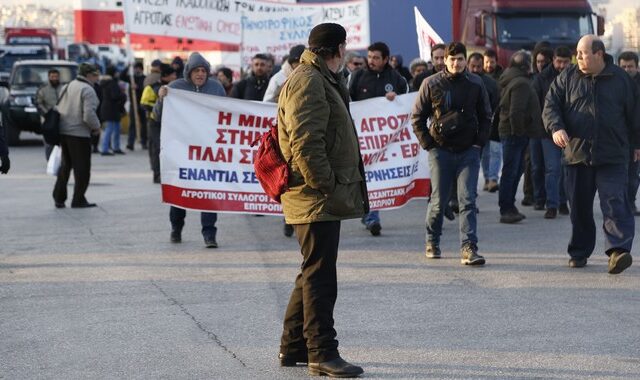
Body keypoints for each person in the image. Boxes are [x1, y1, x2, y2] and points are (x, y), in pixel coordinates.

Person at [277, 22, 367, 378]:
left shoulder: (319, 77)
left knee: (311, 271)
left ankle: (293, 346)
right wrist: (327, 185)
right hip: (314, 196)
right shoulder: (308, 81)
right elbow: (305, 143)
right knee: (320, 277)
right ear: (338, 49)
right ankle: (322, 352)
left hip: (317, 195)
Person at [543, 35, 639, 273]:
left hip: (613, 154)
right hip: (577, 154)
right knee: (579, 207)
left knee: (615, 201)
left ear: (599, 54)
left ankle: (618, 251)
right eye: (577, 53)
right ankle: (579, 251)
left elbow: (635, 114)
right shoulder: (567, 77)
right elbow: (550, 106)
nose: (578, 57)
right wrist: (556, 127)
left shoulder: (621, 80)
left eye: (583, 53)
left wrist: (637, 145)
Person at [411, 42, 491, 265]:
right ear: (444, 60)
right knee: (438, 202)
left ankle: (469, 248)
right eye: (452, 59)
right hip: (440, 151)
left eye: (460, 59)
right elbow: (417, 118)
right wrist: (429, 145)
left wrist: (478, 143)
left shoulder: (476, 83)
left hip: (469, 152)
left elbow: (486, 115)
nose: (456, 63)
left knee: (467, 200)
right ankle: (432, 240)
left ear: (466, 60)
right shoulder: (431, 83)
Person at [154, 53, 225, 248]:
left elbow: (226, 113)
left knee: (208, 192)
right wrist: (161, 99)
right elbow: (158, 116)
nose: (200, 74)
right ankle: (176, 228)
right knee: (180, 191)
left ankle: (209, 234)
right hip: (182, 151)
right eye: (196, 70)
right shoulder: (176, 88)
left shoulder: (216, 88)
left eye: (203, 70)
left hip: (207, 150)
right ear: (189, 72)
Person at [349, 41, 408, 236]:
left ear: (385, 59)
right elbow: (348, 102)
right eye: (370, 56)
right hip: (361, 137)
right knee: (361, 178)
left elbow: (406, 102)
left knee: (375, 176)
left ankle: (373, 217)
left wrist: (396, 97)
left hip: (384, 140)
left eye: (376, 57)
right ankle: (366, 212)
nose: (371, 61)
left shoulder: (396, 79)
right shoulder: (358, 77)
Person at [262, 44, 306, 238]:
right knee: (287, 176)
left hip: (302, 131)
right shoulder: (278, 79)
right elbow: (265, 105)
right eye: (298, 63)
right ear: (292, 62)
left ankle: (298, 217)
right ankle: (288, 217)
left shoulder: (309, 76)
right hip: (283, 133)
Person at [497, 51, 542, 224]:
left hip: (511, 132)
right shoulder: (521, 83)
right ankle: (507, 208)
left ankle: (509, 206)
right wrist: (520, 132)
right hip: (515, 134)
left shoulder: (509, 78)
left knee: (512, 171)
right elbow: (516, 112)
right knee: (512, 172)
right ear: (525, 65)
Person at [530, 46, 572, 218]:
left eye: (565, 62)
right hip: (548, 132)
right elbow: (538, 106)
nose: (561, 65)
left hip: (571, 131)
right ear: (553, 60)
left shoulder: (576, 76)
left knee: (566, 169)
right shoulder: (542, 78)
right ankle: (552, 204)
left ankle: (563, 202)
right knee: (552, 169)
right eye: (558, 61)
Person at [52, 63, 102, 208]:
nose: (97, 78)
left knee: (65, 166)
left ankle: (59, 198)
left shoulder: (68, 85)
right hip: (79, 133)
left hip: (64, 131)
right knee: (82, 168)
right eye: (95, 75)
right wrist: (96, 127)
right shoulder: (88, 89)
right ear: (88, 75)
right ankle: (78, 199)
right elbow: (89, 114)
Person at [468, 52, 500, 192]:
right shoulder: (462, 81)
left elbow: (496, 103)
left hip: (486, 125)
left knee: (489, 153)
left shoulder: (490, 83)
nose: (475, 69)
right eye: (473, 66)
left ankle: (489, 179)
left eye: (478, 66)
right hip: (466, 129)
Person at [141, 64, 176, 183]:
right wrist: (159, 108)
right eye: (173, 75)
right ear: (166, 76)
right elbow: (144, 104)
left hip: (170, 122)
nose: (175, 77)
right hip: (155, 122)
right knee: (157, 148)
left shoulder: (175, 88)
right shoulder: (151, 88)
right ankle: (157, 174)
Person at [618, 51, 640, 216]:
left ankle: (630, 202)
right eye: (623, 66)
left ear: (637, 67)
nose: (626, 70)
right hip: (617, 138)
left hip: (636, 138)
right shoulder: (614, 84)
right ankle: (621, 204)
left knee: (632, 175)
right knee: (618, 174)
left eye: (630, 66)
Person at [99, 65, 127, 156]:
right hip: (112, 109)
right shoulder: (112, 83)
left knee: (115, 129)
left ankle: (114, 147)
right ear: (113, 73)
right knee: (111, 129)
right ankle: (106, 149)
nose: (117, 74)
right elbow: (115, 96)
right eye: (116, 72)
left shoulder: (105, 82)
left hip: (109, 108)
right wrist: (123, 95)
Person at [36, 69, 63, 160]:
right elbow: (38, 103)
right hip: (48, 119)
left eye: (56, 76)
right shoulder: (43, 89)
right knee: (49, 142)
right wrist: (46, 114)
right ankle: (50, 161)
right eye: (52, 77)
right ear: (49, 77)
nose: (54, 78)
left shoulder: (63, 88)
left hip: (62, 118)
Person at [122, 62, 147, 151]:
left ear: (141, 69)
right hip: (134, 104)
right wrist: (128, 67)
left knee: (144, 124)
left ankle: (144, 142)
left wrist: (137, 87)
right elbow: (122, 76)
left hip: (142, 104)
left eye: (138, 68)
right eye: (135, 68)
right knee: (132, 124)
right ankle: (130, 143)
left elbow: (145, 88)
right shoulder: (132, 78)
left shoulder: (144, 78)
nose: (136, 70)